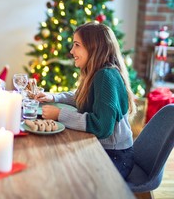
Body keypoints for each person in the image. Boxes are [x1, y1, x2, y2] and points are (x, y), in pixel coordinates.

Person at [35, 22, 136, 179]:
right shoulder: (98, 72)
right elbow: (82, 96)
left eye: (77, 45)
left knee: (59, 171)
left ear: (94, 47)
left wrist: (60, 114)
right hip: (105, 149)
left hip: (115, 156)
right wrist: (54, 97)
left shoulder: (106, 77)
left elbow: (102, 127)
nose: (71, 51)